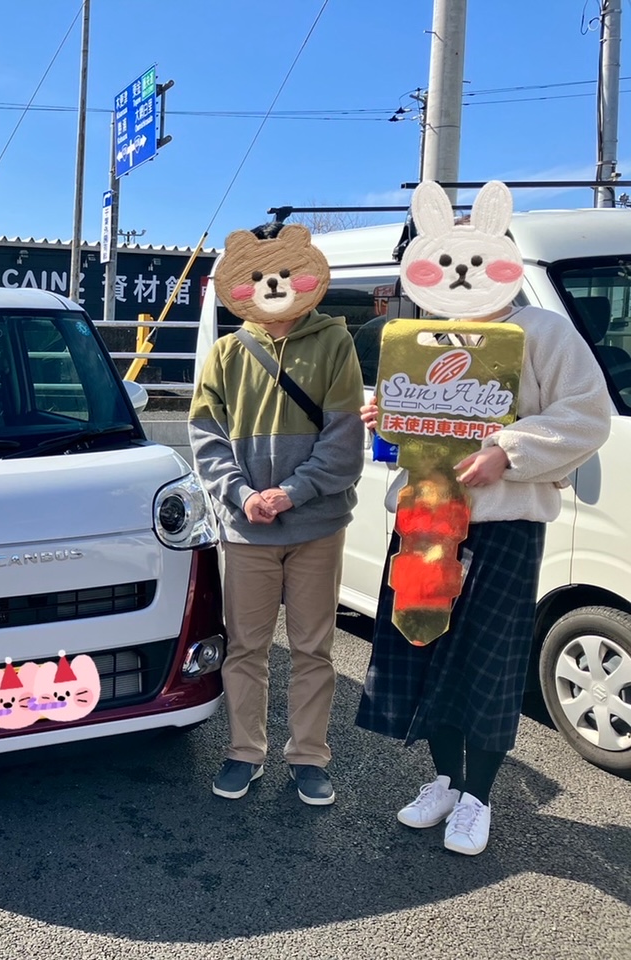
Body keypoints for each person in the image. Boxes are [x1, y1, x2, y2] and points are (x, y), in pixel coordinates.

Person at [356, 181, 612, 856]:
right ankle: (443, 777)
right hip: (423, 519)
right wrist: (388, 422)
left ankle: (479, 796)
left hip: (503, 527)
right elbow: (419, 437)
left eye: (474, 259)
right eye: (444, 261)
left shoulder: (543, 331)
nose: (459, 275)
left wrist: (509, 449)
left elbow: (587, 416)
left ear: (501, 258)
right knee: (422, 649)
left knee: (489, 663)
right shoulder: (419, 339)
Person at [190, 222, 365, 806]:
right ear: (238, 285)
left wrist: (290, 493)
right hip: (246, 529)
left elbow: (344, 443)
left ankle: (309, 756)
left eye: (285, 273)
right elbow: (206, 438)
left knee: (314, 647)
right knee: (246, 646)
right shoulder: (225, 353)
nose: (272, 285)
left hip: (316, 525)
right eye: (259, 276)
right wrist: (242, 495)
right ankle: (245, 751)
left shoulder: (335, 343)